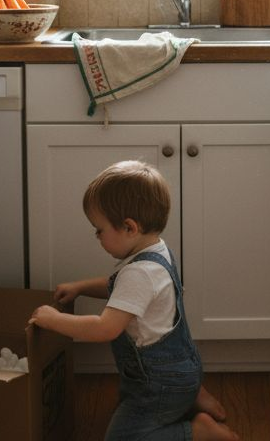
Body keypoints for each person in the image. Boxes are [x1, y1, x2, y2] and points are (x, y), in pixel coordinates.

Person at [29, 161, 240, 441]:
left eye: (99, 230)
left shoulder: (139, 273)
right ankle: (192, 395)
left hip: (158, 386)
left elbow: (106, 328)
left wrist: (54, 320)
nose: (97, 237)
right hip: (181, 367)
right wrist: (80, 287)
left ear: (129, 227)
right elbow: (121, 290)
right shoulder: (155, 250)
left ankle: (198, 432)